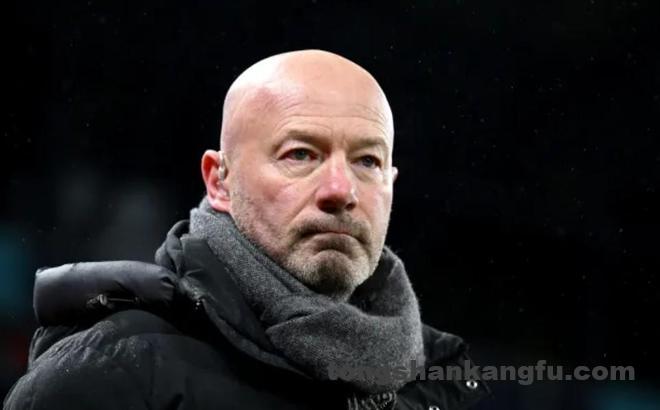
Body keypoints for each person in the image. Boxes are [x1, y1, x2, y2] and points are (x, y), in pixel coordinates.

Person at [4, 50, 491, 409]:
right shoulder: (108, 377)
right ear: (220, 181)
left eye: (367, 161)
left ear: (391, 185)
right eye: (301, 154)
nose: (341, 190)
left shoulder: (436, 383)